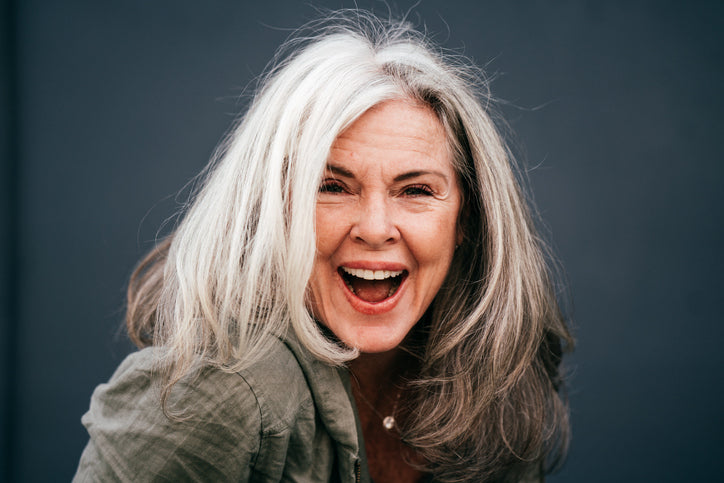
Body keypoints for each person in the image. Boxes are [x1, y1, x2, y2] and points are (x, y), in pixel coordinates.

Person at [74, 10, 573, 483]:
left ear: (466, 219)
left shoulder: (493, 375)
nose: (375, 229)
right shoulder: (220, 388)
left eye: (416, 190)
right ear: (277, 209)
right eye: (332, 186)